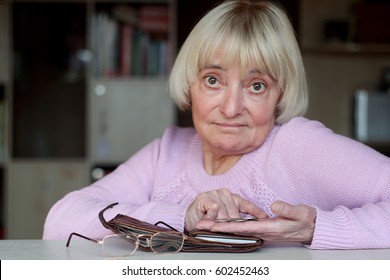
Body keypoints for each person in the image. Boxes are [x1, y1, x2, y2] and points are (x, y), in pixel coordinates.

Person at [43, 0, 390, 249]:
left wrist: (318, 228)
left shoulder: (297, 145)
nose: (231, 107)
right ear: (189, 84)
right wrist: (183, 218)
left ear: (280, 94)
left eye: (257, 86)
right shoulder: (168, 151)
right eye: (213, 80)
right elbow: (60, 222)